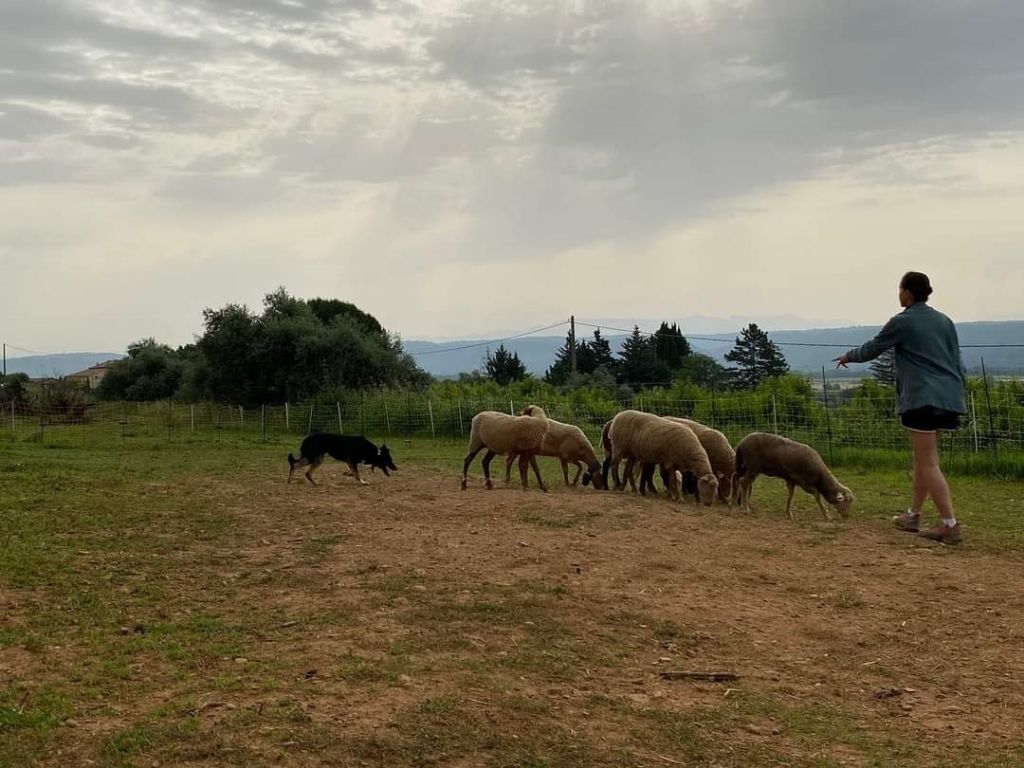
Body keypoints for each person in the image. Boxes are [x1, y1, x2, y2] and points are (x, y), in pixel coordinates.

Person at [834, 271, 967, 544]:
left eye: (900, 289)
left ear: (908, 292)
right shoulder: (945, 321)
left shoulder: (903, 321)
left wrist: (850, 356)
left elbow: (875, 347)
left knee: (928, 463)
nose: (898, 294)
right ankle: (913, 516)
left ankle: (949, 524)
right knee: (923, 460)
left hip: (921, 398)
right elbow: (957, 359)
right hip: (949, 396)